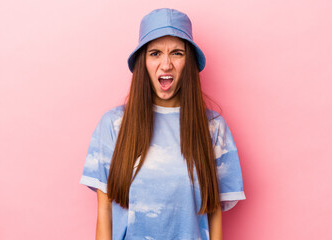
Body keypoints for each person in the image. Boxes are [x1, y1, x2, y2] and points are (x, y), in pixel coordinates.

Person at [80, 8, 245, 240]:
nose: (166, 64)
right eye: (155, 53)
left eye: (177, 53)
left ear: (189, 61)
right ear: (143, 62)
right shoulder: (113, 125)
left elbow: (213, 212)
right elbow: (105, 211)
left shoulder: (213, 128)